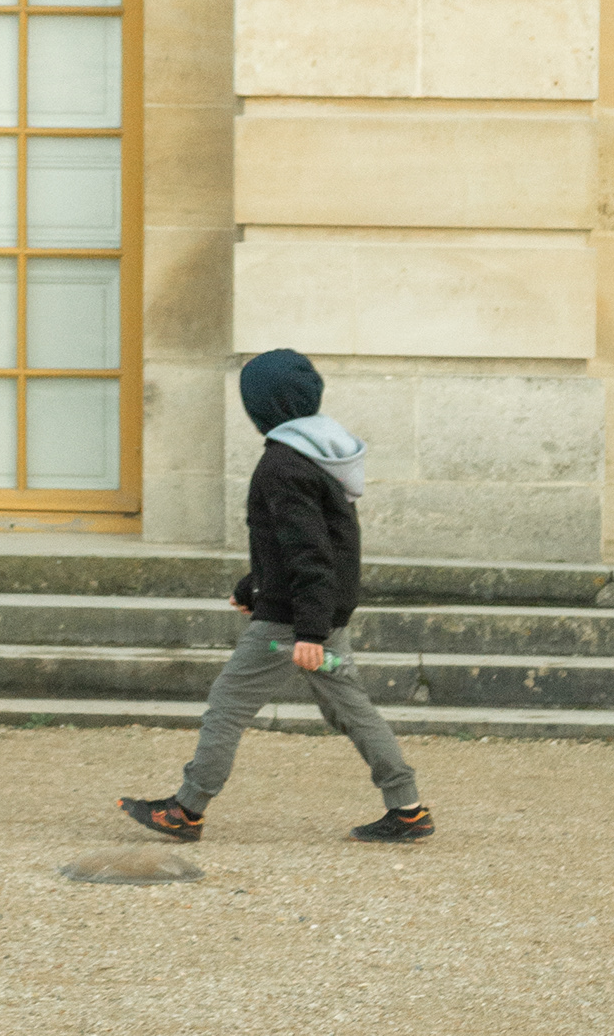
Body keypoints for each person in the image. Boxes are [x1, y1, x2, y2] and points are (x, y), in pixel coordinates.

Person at [118, 347, 434, 846]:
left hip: (290, 624)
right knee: (351, 710)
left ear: (263, 405)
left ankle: (186, 810)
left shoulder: (282, 464)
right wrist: (253, 588)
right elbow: (295, 544)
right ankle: (408, 809)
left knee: (228, 705)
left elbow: (310, 552)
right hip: (316, 613)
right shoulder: (319, 455)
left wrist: (307, 631)